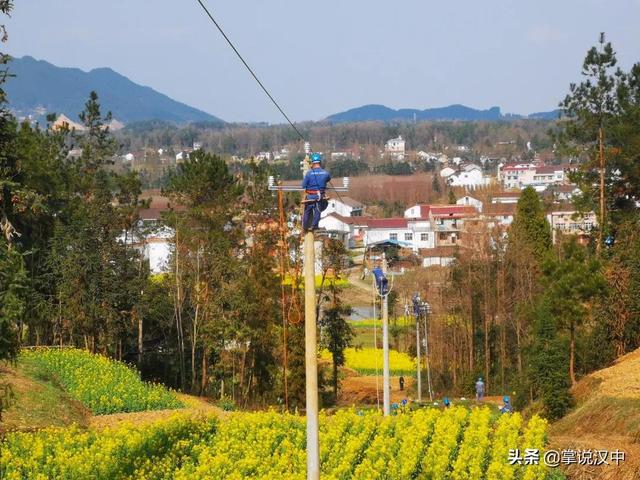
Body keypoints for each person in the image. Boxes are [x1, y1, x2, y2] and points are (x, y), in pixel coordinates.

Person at [301, 153, 331, 232]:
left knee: (307, 211)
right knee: (318, 211)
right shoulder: (325, 173)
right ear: (320, 163)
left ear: (312, 163)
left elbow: (303, 186)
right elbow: (328, 179)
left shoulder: (309, 173)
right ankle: (314, 226)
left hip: (310, 196)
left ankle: (305, 226)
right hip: (319, 196)